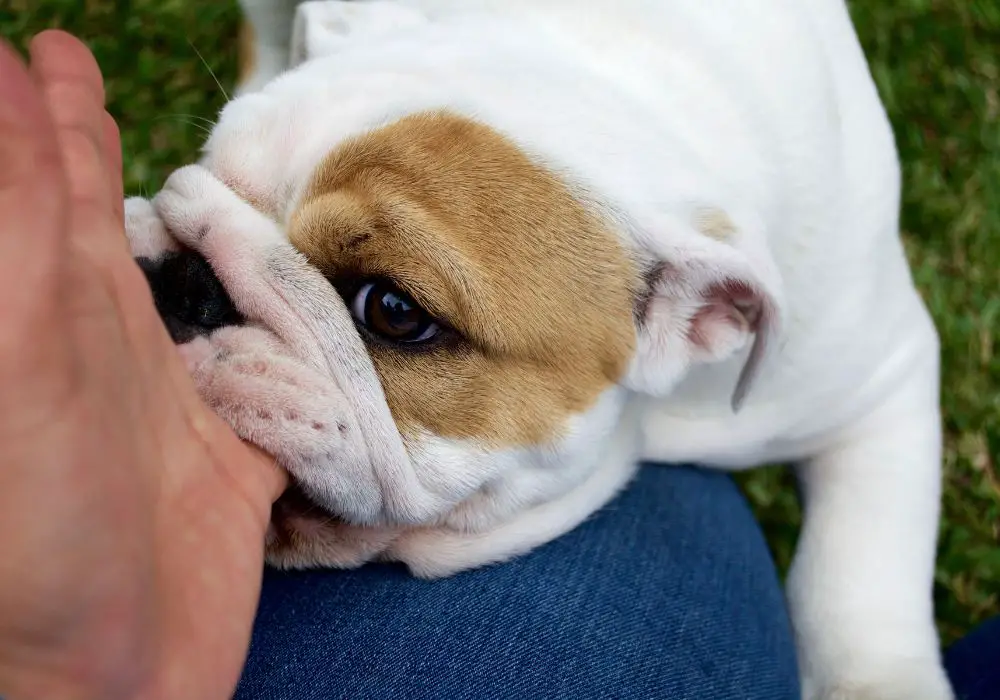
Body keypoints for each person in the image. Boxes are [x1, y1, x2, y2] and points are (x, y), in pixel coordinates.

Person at [0, 29, 994, 700]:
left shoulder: (792, 249)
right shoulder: (363, 47)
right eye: (214, 210)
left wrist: (873, 654)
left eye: (393, 311)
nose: (214, 314)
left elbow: (880, 391)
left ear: (701, 310)